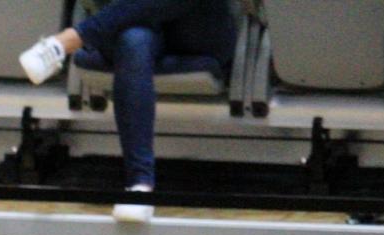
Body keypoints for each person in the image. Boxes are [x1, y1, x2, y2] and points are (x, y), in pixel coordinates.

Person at [18, 0, 239, 222]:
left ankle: (68, 41)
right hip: (130, 25)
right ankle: (139, 187)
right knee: (133, 40)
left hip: (198, 30)